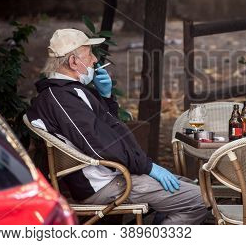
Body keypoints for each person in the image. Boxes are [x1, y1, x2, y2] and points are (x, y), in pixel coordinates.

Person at [27, 28, 208, 225]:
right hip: (106, 183)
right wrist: (147, 167)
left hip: (113, 175)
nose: (95, 60)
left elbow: (106, 130)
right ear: (73, 62)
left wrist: (106, 97)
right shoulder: (61, 98)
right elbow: (99, 144)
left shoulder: (70, 92)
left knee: (191, 187)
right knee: (200, 199)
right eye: (90, 54)